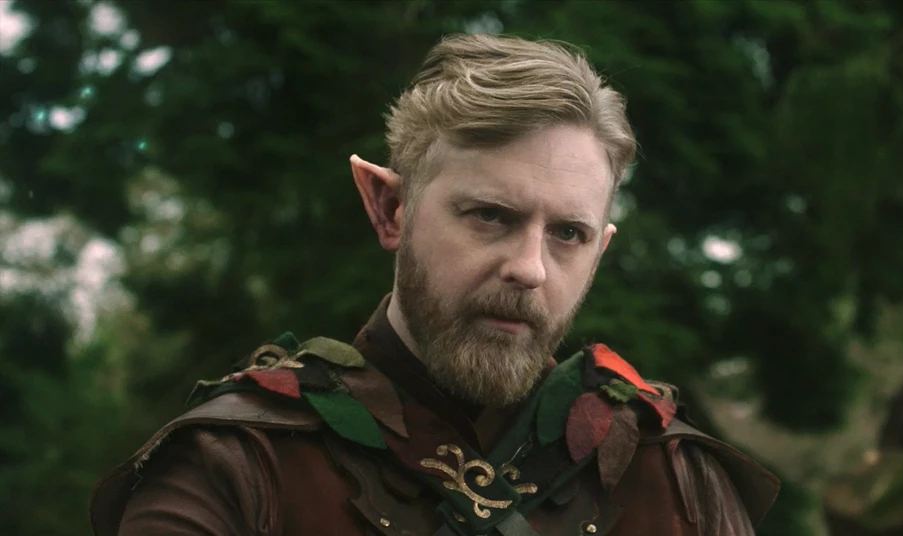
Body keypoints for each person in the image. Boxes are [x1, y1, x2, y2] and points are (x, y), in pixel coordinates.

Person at [89, 33, 778, 536]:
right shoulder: (238, 466)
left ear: (600, 252)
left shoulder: (673, 474)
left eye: (568, 233)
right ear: (390, 209)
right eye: (490, 215)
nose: (530, 268)